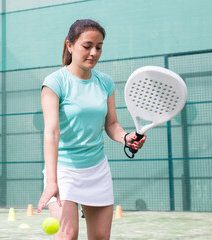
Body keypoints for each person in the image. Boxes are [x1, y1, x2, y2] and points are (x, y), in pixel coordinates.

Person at [37, 19, 146, 239]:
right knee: (67, 235)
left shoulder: (105, 82)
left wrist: (126, 137)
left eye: (99, 46)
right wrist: (51, 181)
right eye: (87, 46)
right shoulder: (55, 83)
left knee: (100, 237)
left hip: (97, 169)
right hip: (63, 170)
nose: (94, 53)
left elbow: (112, 124)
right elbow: (51, 132)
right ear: (70, 45)